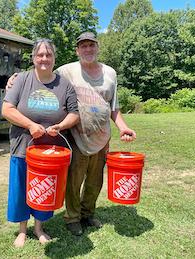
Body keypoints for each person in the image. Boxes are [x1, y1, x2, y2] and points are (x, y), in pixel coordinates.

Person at [56, 32, 136, 236]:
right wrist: (16, 78)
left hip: (102, 139)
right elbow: (43, 77)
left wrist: (123, 127)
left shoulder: (110, 73)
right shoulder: (66, 71)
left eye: (92, 45)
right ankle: (72, 218)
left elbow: (113, 108)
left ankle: (87, 213)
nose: (88, 49)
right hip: (76, 137)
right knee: (74, 180)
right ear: (77, 50)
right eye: (83, 46)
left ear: (98, 48)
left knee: (95, 181)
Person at [2, 39, 79, 247]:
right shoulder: (21, 80)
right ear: (34, 58)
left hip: (51, 152)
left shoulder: (64, 84)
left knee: (44, 189)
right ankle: (22, 230)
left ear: (54, 58)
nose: (44, 59)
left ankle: (39, 228)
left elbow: (74, 114)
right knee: (21, 189)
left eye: (48, 55)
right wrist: (30, 125)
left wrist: (61, 126)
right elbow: (7, 109)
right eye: (40, 55)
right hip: (22, 147)